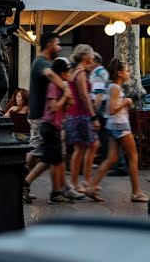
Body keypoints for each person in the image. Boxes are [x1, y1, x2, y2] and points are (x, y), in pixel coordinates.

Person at [87, 59, 148, 204]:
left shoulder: (113, 87)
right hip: (121, 126)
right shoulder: (115, 88)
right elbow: (112, 109)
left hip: (114, 126)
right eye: (126, 70)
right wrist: (126, 102)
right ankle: (136, 192)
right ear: (119, 73)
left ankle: (92, 186)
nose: (128, 73)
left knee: (111, 159)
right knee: (133, 157)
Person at [24, 32, 71, 204]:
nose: (59, 48)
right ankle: (21, 184)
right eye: (58, 44)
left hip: (44, 118)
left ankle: (52, 189)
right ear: (50, 45)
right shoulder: (41, 63)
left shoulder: (45, 62)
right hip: (39, 117)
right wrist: (65, 89)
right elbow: (50, 75)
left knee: (45, 155)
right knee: (37, 154)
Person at [65, 44, 95, 199]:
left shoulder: (74, 72)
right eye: (91, 54)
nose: (93, 57)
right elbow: (84, 96)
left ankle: (78, 182)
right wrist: (93, 115)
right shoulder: (81, 73)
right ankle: (76, 183)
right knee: (80, 149)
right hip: (80, 115)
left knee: (82, 148)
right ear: (85, 56)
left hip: (74, 114)